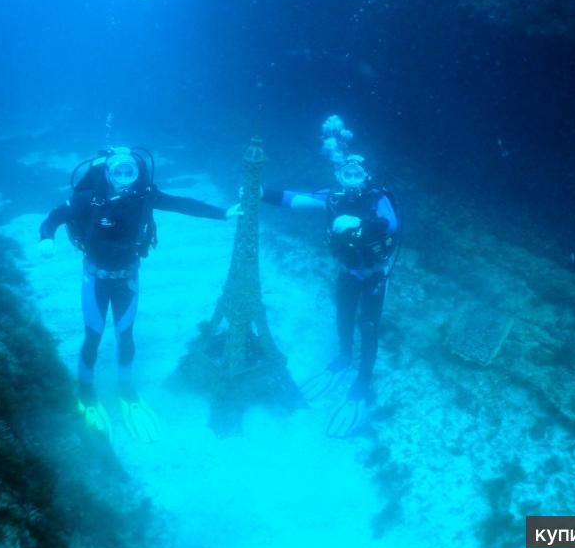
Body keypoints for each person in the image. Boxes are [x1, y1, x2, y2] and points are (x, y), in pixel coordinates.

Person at [39, 146, 240, 443]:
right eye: (117, 171)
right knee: (93, 336)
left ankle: (126, 391)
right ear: (107, 173)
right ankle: (85, 391)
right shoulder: (88, 198)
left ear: (137, 173)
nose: (124, 178)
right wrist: (46, 238)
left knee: (126, 336)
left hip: (128, 279)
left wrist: (223, 213)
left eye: (129, 171)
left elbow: (181, 203)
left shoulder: (145, 195)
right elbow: (55, 216)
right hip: (95, 278)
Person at [261, 116, 400, 437]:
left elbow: (390, 224)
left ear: (366, 175)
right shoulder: (333, 197)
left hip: (376, 274)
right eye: (345, 173)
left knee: (368, 325)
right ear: (338, 174)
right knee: (343, 316)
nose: (351, 178)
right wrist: (258, 191)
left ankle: (363, 380)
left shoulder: (378, 198)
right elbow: (294, 200)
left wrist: (360, 225)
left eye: (357, 173)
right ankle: (343, 358)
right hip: (347, 272)